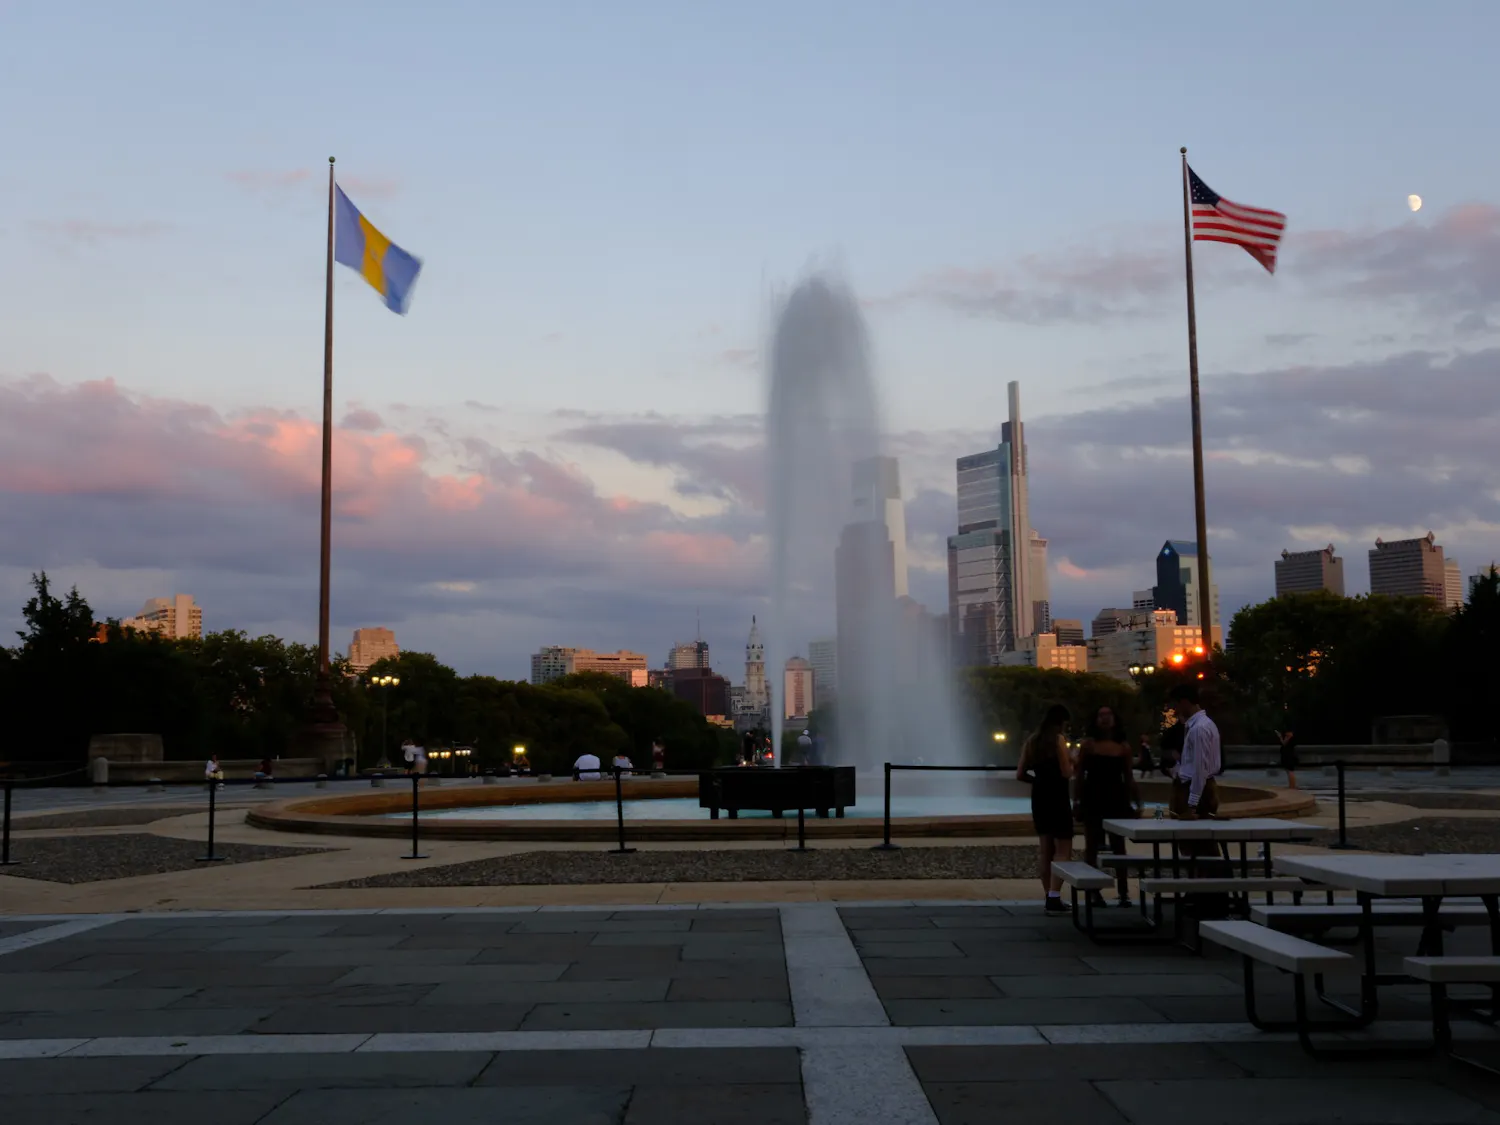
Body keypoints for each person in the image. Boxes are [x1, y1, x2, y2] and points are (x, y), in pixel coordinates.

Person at [1076, 706, 1140, 907]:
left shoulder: (1123, 747)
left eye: (1108, 715)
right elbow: (1079, 775)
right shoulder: (1088, 746)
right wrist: (1076, 801)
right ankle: (1093, 891)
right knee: (1092, 847)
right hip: (1093, 798)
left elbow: (1129, 777)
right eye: (1100, 715)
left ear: (1115, 719)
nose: (1105, 719)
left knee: (1119, 846)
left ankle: (1123, 892)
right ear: (1095, 720)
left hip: (1116, 798)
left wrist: (1137, 802)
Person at [1017, 704, 1075, 915]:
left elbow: (1020, 773)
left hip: (1039, 796)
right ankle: (1054, 896)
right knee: (1063, 849)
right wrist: (1073, 761)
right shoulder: (1058, 740)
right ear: (1061, 722)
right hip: (1057, 796)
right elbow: (1066, 772)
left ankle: (1048, 896)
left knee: (1045, 849)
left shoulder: (1032, 741)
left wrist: (1038, 781)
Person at [1168, 684, 1221, 821]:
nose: (1175, 710)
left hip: (1195, 791)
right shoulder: (1202, 725)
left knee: (1195, 838)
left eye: (1176, 705)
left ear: (1184, 702)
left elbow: (1200, 768)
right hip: (1197, 788)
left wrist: (1192, 804)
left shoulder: (1199, 729)